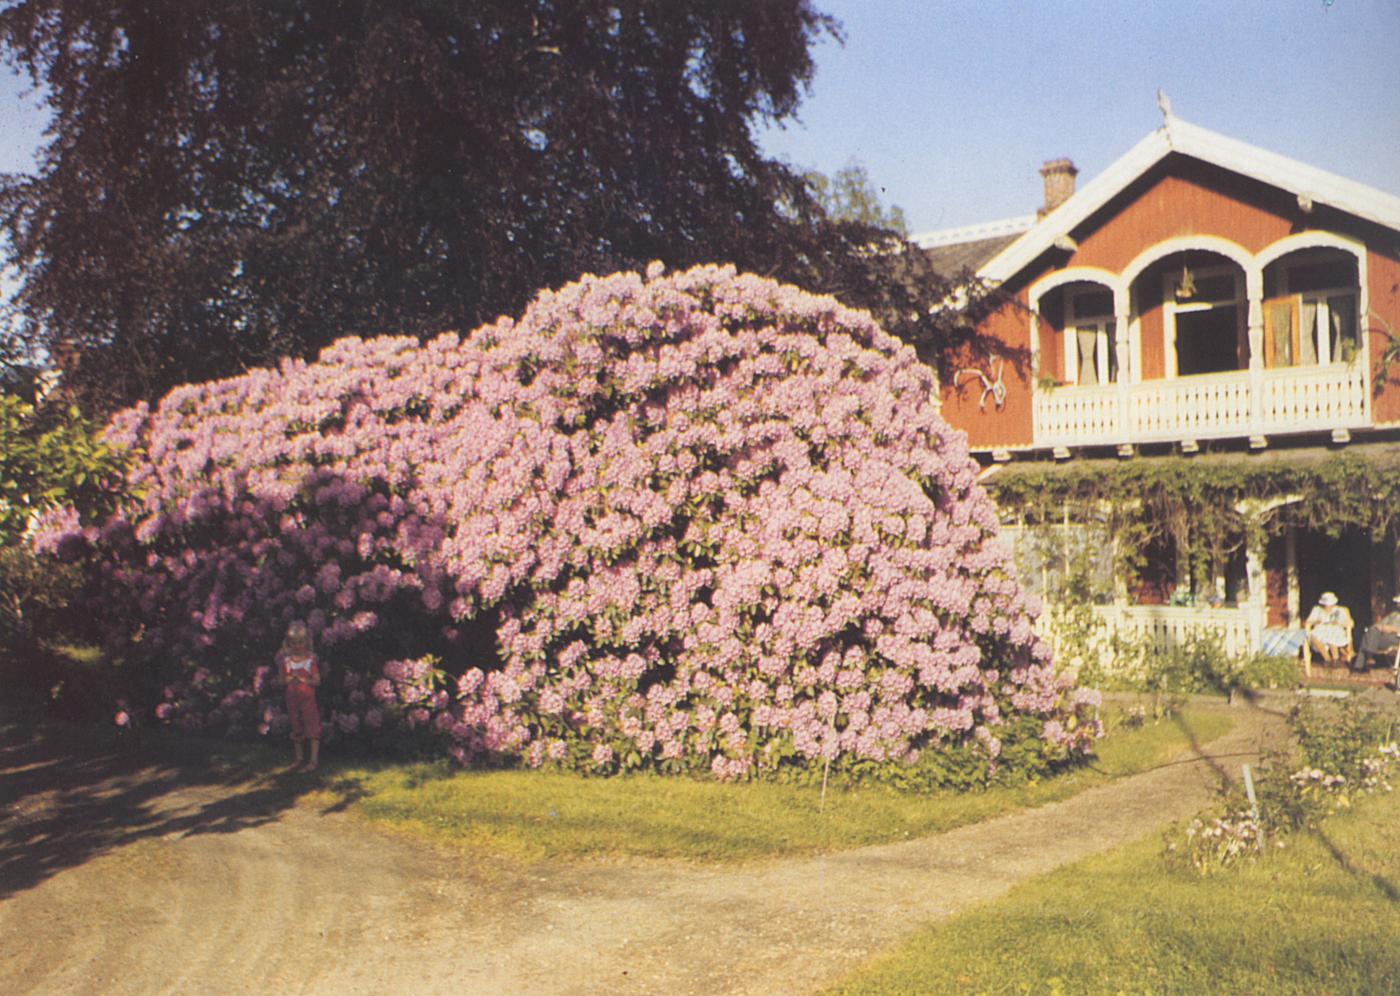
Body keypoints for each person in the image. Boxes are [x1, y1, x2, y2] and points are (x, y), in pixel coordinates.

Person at [277, 620, 322, 772]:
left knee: (312, 726)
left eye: (301, 642)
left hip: (307, 700)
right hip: (292, 699)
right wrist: (288, 679)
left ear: (306, 642)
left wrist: (304, 679)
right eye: (294, 643)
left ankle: (313, 760)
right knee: (296, 726)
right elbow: (281, 680)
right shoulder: (287, 662)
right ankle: (299, 758)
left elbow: (317, 681)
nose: (298, 646)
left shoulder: (310, 661)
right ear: (289, 644)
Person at [1305, 592, 1354, 666]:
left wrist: (1338, 622)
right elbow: (1308, 622)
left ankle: (1335, 659)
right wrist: (1316, 621)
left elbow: (1350, 623)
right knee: (1314, 636)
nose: (1328, 607)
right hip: (1320, 629)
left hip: (1335, 629)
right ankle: (1327, 659)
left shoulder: (1339, 610)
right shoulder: (1317, 610)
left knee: (1331, 636)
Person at [1356, 594, 1400, 673]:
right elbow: (1379, 625)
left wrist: (1393, 629)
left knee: (1368, 636)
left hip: (1396, 638)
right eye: (1397, 603)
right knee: (1371, 631)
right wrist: (1381, 627)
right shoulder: (1394, 614)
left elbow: (1392, 629)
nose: (1398, 605)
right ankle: (1368, 659)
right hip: (1383, 637)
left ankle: (1362, 663)